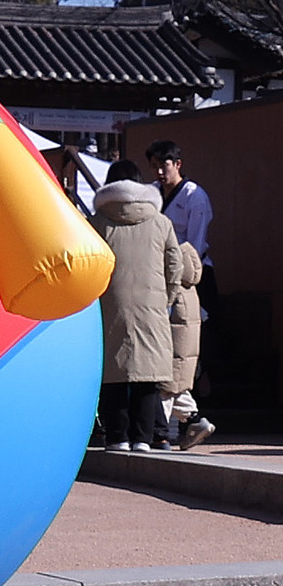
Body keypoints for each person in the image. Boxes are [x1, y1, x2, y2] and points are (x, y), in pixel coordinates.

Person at [91, 159, 182, 454]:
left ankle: (117, 436)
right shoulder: (161, 222)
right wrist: (165, 298)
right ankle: (143, 438)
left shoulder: (97, 222)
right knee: (148, 375)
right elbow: (175, 265)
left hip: (108, 304)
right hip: (152, 304)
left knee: (113, 371)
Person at [144, 139, 216, 447]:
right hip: (159, 275)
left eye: (166, 165)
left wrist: (185, 275)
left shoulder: (194, 196)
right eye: (156, 165)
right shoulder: (151, 193)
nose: (160, 171)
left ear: (178, 164)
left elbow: (195, 245)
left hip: (191, 274)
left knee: (186, 351)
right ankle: (181, 422)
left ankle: (170, 426)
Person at [165, 240, 214, 450]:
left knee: (164, 391)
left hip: (170, 352)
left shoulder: (173, 290)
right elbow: (204, 317)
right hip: (187, 355)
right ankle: (196, 420)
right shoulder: (192, 291)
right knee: (176, 390)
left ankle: (161, 437)